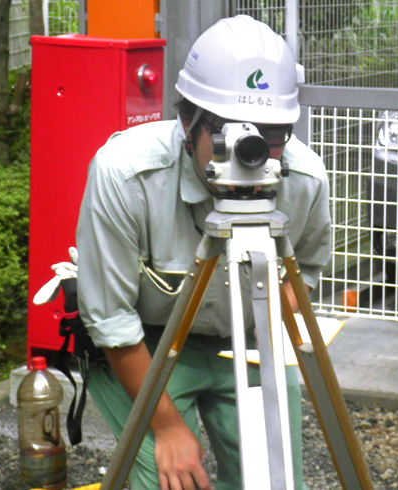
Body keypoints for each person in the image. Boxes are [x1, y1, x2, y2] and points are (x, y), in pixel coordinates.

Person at [75, 14, 331, 490]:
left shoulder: (303, 178)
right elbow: (111, 320)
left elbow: (306, 274)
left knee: (273, 479)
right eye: (229, 133)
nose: (253, 151)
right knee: (169, 480)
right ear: (187, 120)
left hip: (247, 345)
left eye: (271, 135)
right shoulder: (127, 173)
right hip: (147, 347)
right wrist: (167, 427)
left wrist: (271, 354)